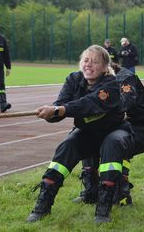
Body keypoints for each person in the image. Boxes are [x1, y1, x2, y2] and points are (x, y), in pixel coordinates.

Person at [26, 45, 135, 224]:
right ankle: (42, 205)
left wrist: (60, 109)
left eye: (95, 62)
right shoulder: (73, 79)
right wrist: (51, 113)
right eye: (86, 60)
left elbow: (89, 104)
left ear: (104, 67)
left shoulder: (112, 85)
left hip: (115, 131)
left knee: (111, 144)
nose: (89, 65)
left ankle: (103, 210)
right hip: (88, 133)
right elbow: (60, 106)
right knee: (67, 145)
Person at [73, 61, 144, 206]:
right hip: (122, 125)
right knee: (86, 134)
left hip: (141, 129)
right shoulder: (98, 80)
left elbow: (126, 103)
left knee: (114, 141)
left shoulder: (124, 77)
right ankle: (91, 191)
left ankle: (121, 193)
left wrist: (104, 110)